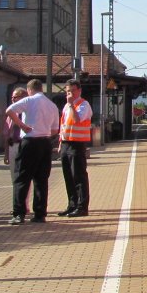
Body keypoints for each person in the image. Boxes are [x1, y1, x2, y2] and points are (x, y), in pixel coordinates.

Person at [4, 79, 59, 224]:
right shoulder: (51, 105)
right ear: (41, 88)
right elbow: (55, 129)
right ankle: (40, 214)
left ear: (29, 90)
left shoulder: (29, 100)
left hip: (29, 141)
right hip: (45, 142)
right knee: (41, 179)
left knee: (22, 178)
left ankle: (19, 214)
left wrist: (22, 125)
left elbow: (9, 111)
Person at [57, 79, 93, 216]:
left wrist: (71, 104)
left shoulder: (84, 105)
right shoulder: (67, 106)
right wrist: (60, 142)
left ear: (79, 91)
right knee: (68, 176)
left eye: (72, 91)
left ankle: (82, 207)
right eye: (67, 91)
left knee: (79, 176)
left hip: (77, 144)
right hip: (66, 143)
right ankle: (72, 204)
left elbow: (78, 119)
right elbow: (64, 126)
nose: (70, 94)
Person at [2, 86, 26, 184]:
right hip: (12, 146)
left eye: (15, 97)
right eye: (12, 97)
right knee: (14, 177)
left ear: (23, 98)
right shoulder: (11, 114)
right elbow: (7, 135)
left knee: (23, 177)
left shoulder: (27, 113)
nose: (13, 99)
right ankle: (17, 198)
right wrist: (6, 153)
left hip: (23, 146)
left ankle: (23, 199)